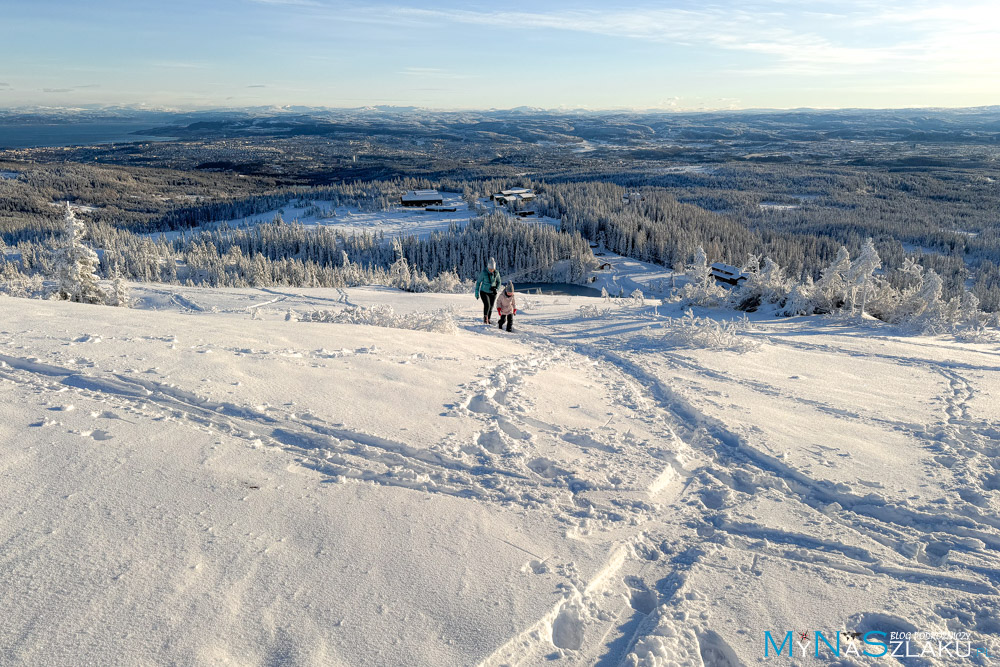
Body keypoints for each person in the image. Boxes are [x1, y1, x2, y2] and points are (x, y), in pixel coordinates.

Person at [475, 257, 502, 324]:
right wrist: (476, 293)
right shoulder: (484, 272)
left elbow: (499, 282)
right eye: (490, 269)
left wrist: (497, 289)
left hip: (493, 292)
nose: (491, 270)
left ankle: (488, 319)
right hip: (484, 292)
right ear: (488, 267)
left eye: (493, 269)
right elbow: (478, 282)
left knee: (491, 306)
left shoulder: (496, 273)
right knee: (487, 305)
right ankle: (485, 319)